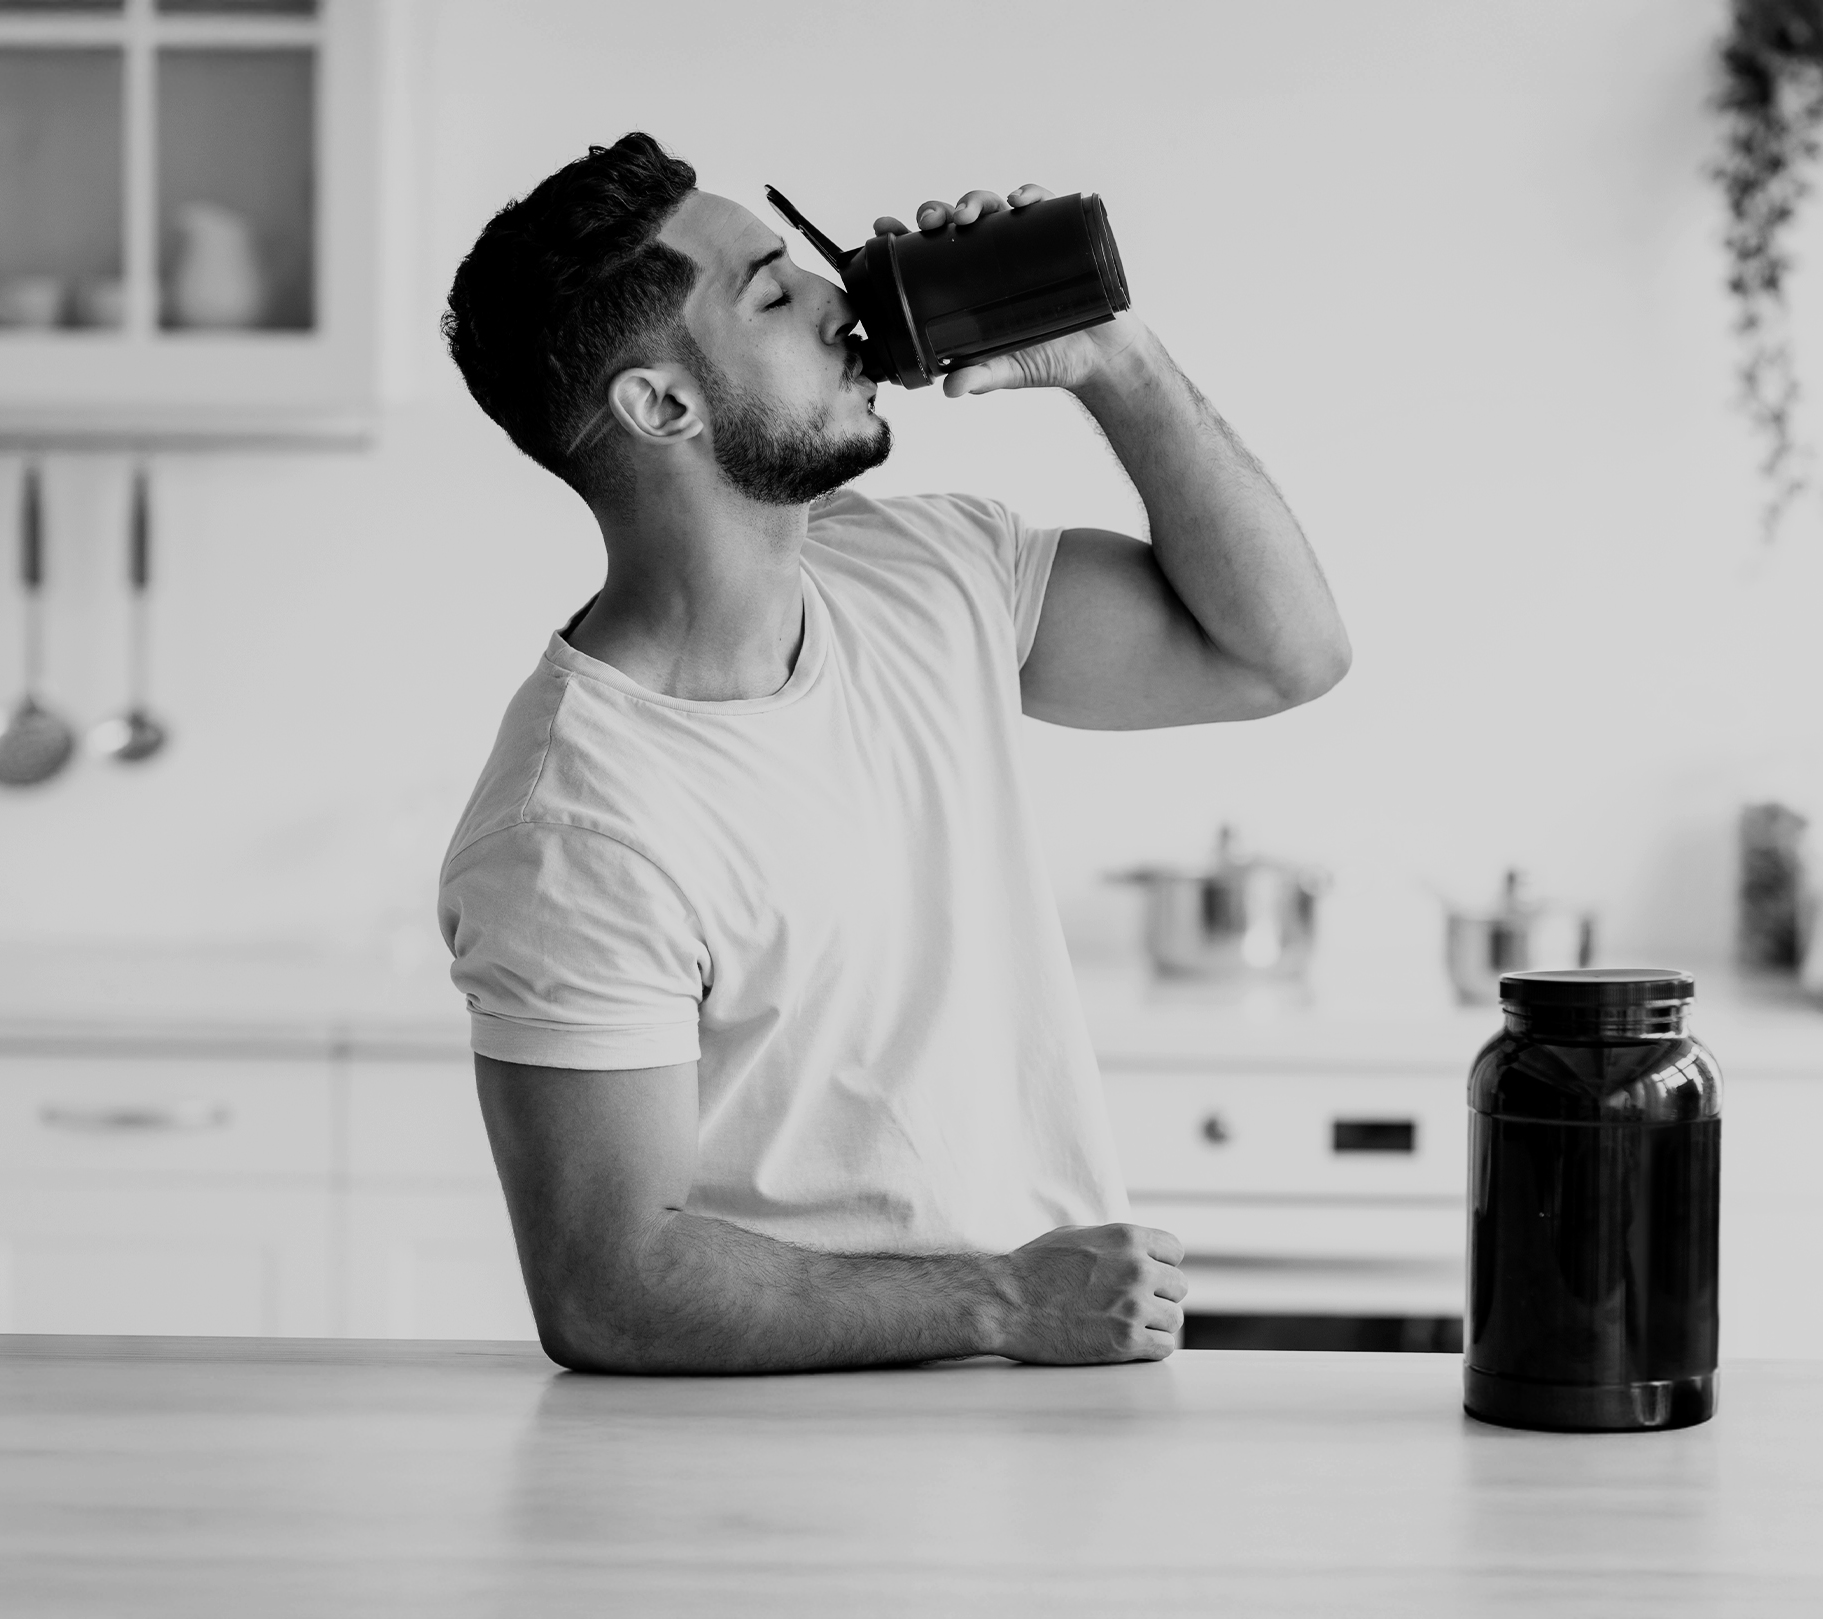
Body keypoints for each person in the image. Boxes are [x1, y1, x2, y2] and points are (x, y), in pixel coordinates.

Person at [438, 133, 1350, 1374]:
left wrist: (1111, 358)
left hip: (1036, 1418)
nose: (839, 299)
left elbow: (1280, 654)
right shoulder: (574, 824)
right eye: (773, 291)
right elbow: (612, 1286)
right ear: (662, 405)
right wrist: (1004, 1302)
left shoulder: (928, 575)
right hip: (778, 1486)